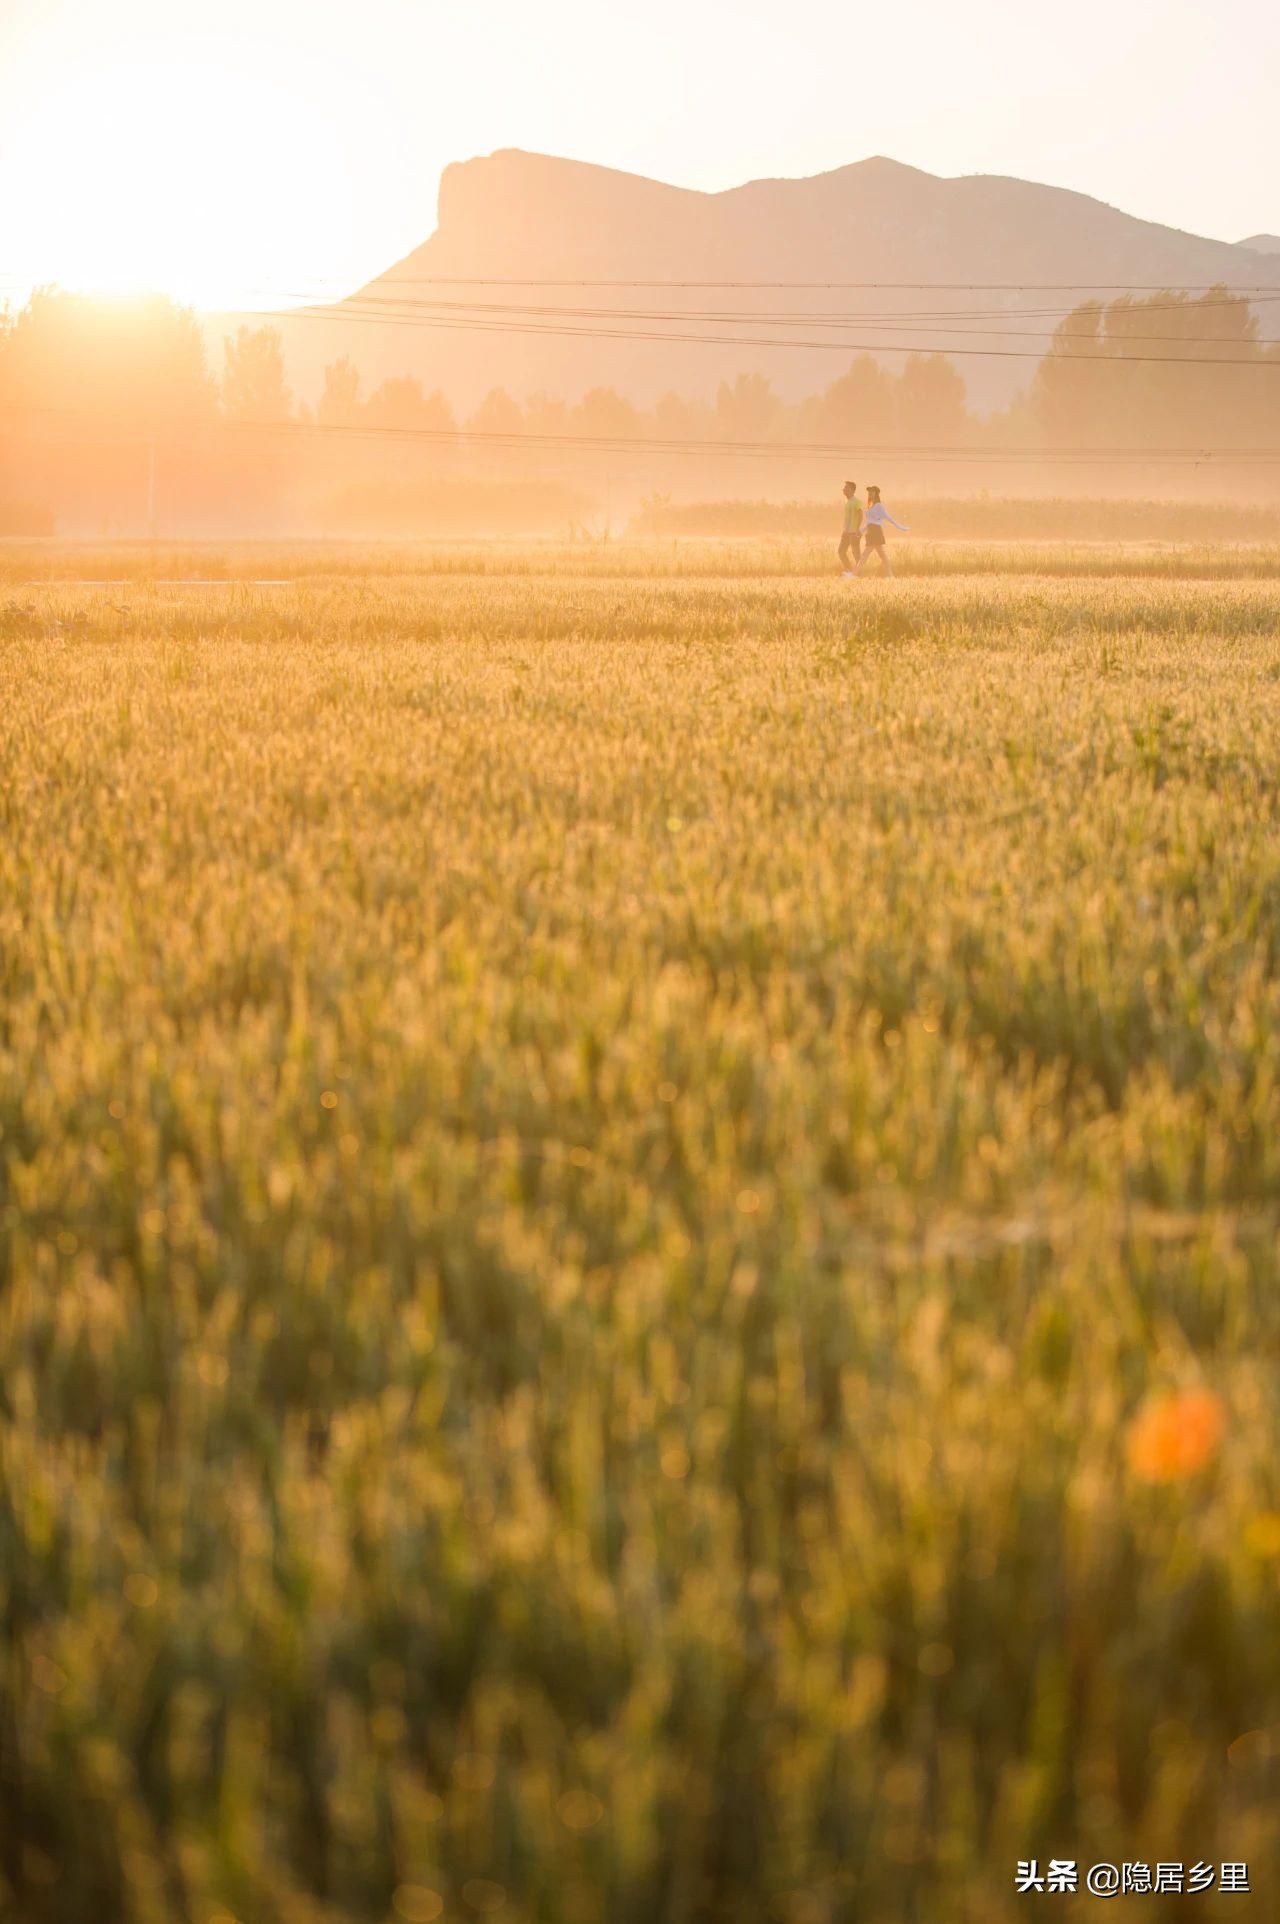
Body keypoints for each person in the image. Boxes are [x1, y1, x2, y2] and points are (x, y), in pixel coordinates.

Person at [855, 486, 910, 577]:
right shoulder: (870, 506)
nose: (870, 494)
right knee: (880, 556)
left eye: (872, 492)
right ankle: (890, 575)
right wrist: (861, 531)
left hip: (876, 532)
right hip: (871, 532)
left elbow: (889, 518)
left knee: (866, 555)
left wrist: (901, 527)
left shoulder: (879, 506)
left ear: (876, 494)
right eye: (869, 493)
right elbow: (869, 523)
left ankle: (854, 574)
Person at [838, 480, 863, 574]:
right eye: (844, 488)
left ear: (851, 489)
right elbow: (847, 519)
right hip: (846, 532)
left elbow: (861, 515)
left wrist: (857, 529)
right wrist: (844, 530)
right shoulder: (847, 502)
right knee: (841, 551)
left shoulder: (856, 502)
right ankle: (849, 570)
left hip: (853, 532)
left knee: (856, 554)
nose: (843, 489)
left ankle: (859, 573)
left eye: (846, 488)